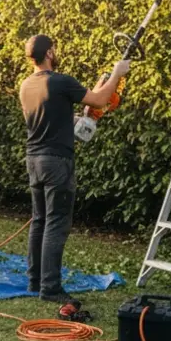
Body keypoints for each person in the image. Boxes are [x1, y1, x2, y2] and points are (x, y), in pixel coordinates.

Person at [18, 35, 129, 302]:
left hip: (34, 159)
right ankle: (51, 288)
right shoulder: (60, 81)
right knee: (56, 223)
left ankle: (35, 281)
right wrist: (117, 73)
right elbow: (101, 99)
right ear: (49, 53)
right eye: (54, 49)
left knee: (40, 220)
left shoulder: (26, 85)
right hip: (57, 162)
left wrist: (80, 118)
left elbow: (58, 115)